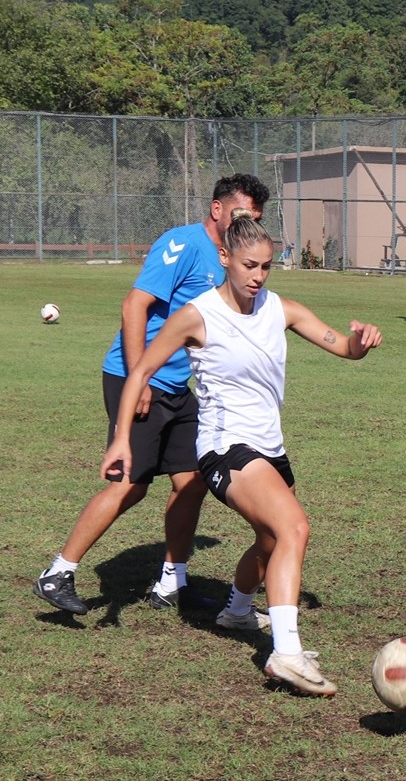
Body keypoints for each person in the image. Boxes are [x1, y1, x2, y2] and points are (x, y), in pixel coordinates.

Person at [101, 211, 382, 696]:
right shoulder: (198, 315)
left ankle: (236, 610)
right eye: (249, 265)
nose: (258, 276)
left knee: (271, 542)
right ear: (225, 258)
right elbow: (141, 372)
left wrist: (362, 340)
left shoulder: (282, 309)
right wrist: (122, 439)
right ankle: (286, 654)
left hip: (270, 446)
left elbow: (344, 348)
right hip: (223, 447)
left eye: (267, 266)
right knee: (294, 527)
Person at [35, 174, 271, 615]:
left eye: (254, 218)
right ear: (217, 209)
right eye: (240, 213)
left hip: (178, 388)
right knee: (131, 484)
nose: (246, 223)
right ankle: (58, 572)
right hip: (138, 379)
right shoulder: (181, 244)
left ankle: (170, 583)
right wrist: (137, 380)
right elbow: (134, 306)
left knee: (194, 480)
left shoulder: (231, 258)